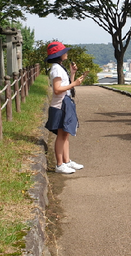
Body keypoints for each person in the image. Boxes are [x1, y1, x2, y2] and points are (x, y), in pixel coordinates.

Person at [44, 41, 85, 174]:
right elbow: (57, 89)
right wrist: (74, 84)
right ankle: (59, 164)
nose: (66, 53)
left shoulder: (60, 67)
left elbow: (65, 85)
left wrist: (72, 74)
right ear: (59, 54)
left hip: (64, 103)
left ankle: (66, 161)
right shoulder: (56, 68)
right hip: (60, 105)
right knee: (61, 135)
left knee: (65, 133)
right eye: (64, 51)